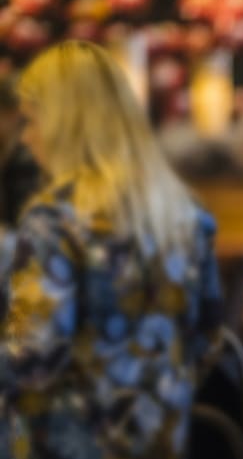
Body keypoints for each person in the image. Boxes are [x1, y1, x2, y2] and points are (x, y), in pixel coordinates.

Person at [0, 40, 222, 459]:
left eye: (30, 122)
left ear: (65, 124)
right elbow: (208, 339)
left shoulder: (54, 221)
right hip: (162, 440)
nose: (25, 139)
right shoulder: (184, 213)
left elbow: (34, 362)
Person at [0, 75, 41, 225]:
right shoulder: (11, 148)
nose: (26, 137)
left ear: (13, 114)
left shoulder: (27, 157)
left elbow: (22, 218)